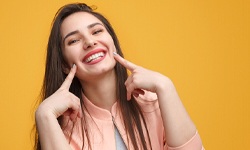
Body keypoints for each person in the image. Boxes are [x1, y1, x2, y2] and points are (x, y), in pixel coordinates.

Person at [34, 2, 204, 150]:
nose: (90, 42)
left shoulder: (155, 103)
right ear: (64, 64)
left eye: (97, 31)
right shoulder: (62, 128)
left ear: (112, 42)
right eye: (74, 41)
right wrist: (44, 114)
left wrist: (166, 86)